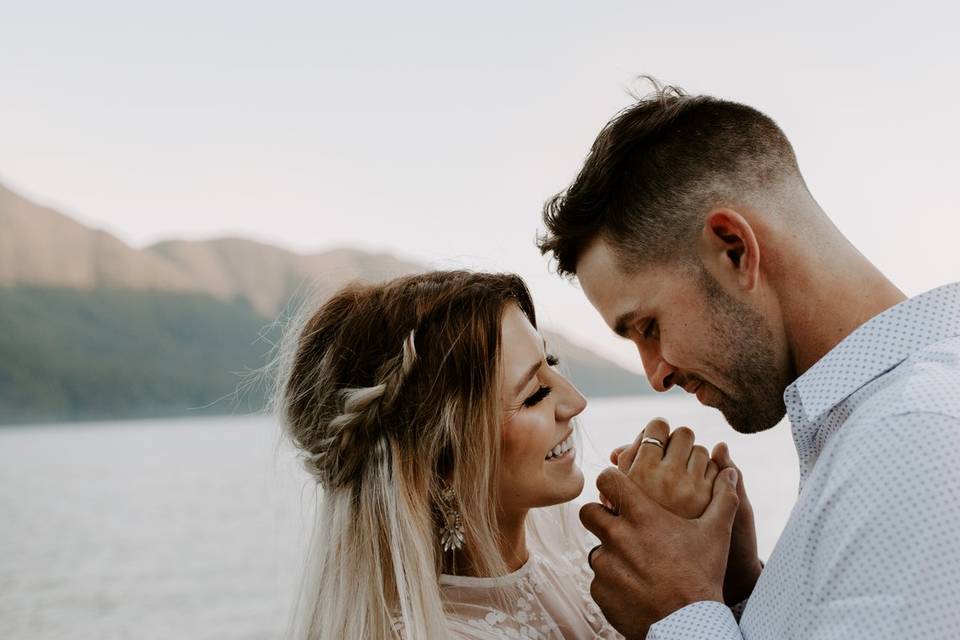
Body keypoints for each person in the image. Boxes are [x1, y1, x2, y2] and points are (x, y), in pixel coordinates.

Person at [538, 79, 960, 638]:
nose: (656, 373)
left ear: (734, 250)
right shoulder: (885, 422)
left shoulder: (912, 440)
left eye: (648, 326)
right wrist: (740, 594)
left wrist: (679, 612)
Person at [273, 270, 731, 639]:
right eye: (533, 395)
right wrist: (684, 606)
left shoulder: (574, 537)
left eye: (551, 363)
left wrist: (720, 567)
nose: (574, 402)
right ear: (440, 464)